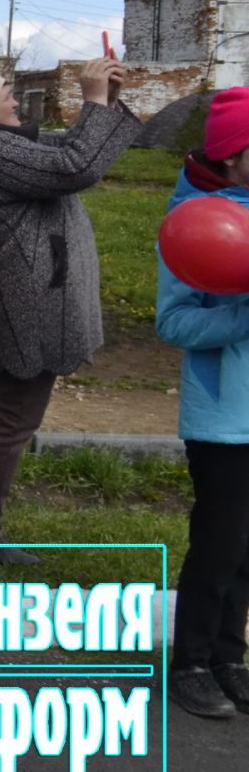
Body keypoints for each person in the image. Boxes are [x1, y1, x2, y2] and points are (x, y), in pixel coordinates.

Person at [0, 59, 140, 563]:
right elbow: (76, 166)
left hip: (31, 300)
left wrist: (106, 104)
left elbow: (77, 151)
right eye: (5, 90)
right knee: (13, 420)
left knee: (13, 413)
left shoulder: (1, 144)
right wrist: (93, 103)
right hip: (25, 305)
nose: (13, 96)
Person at [157, 87, 249, 720]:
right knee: (219, 544)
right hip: (223, 417)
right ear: (236, 154)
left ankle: (230, 657)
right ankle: (190, 661)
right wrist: (244, 314)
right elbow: (176, 324)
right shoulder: (194, 220)